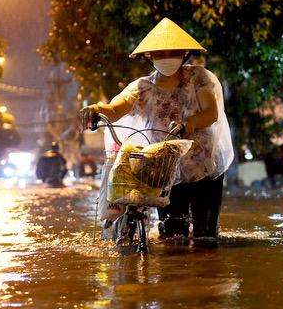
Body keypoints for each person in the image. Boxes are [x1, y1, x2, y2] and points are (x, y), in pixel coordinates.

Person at [81, 18, 233, 237]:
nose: (167, 59)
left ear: (184, 54)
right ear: (149, 57)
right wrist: (97, 109)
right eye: (160, 55)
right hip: (165, 170)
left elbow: (211, 112)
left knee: (207, 235)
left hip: (205, 166)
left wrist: (189, 124)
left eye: (173, 53)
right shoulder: (142, 88)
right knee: (172, 234)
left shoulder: (197, 77)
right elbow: (115, 110)